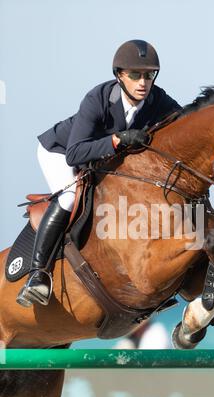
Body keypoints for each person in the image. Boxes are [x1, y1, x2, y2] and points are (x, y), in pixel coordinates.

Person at [17, 39, 181, 308]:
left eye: (149, 75)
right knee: (70, 197)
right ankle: (38, 276)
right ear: (119, 75)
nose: (143, 82)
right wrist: (117, 140)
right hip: (59, 150)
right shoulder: (98, 98)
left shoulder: (158, 100)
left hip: (96, 158)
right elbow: (75, 154)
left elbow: (184, 122)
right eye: (135, 75)